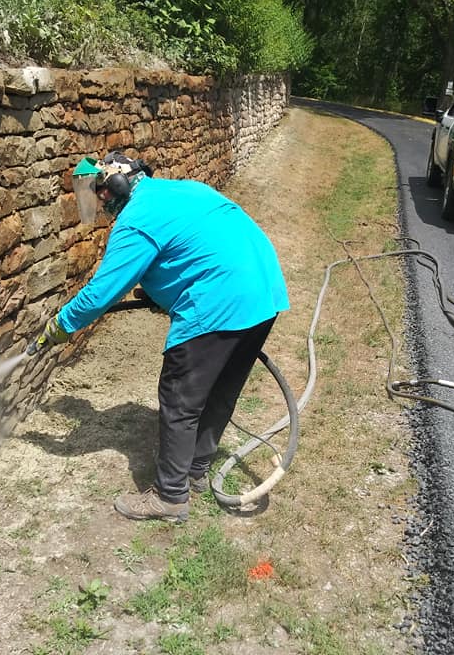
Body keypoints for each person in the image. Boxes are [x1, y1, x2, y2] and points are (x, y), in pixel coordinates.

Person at [29, 151, 289, 522]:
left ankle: (170, 496)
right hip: (263, 292)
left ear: (117, 185)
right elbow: (192, 246)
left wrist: (60, 326)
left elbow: (100, 294)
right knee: (221, 386)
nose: (100, 201)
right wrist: (160, 291)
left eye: (100, 191)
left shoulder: (135, 221)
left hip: (220, 300)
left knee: (180, 397)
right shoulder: (176, 191)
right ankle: (196, 469)